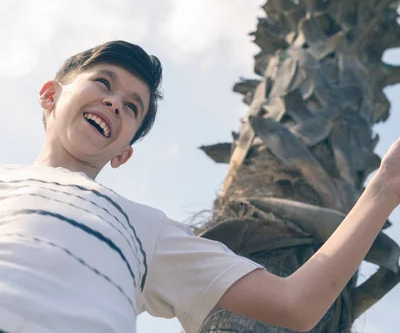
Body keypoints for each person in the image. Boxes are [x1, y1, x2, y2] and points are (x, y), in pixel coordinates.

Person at [0, 40, 398, 333]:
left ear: (123, 154)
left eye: (132, 106)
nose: (115, 102)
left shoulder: (146, 228)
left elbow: (296, 305)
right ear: (50, 95)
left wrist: (384, 189)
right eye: (103, 83)